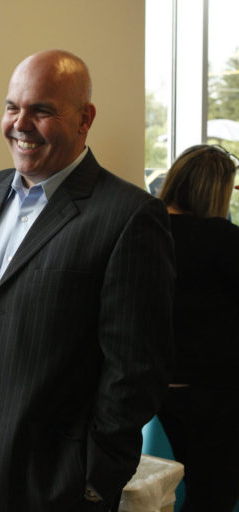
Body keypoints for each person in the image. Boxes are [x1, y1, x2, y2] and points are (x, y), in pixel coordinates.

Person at [0, 49, 176, 511]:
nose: (20, 123)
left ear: (84, 118)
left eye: (42, 110)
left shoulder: (128, 216)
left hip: (46, 483)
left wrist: (93, 483)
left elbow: (135, 371)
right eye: (12, 107)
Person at [155, 144, 239, 512]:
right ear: (216, 189)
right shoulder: (222, 239)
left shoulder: (143, 228)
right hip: (214, 393)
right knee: (214, 494)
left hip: (155, 387)